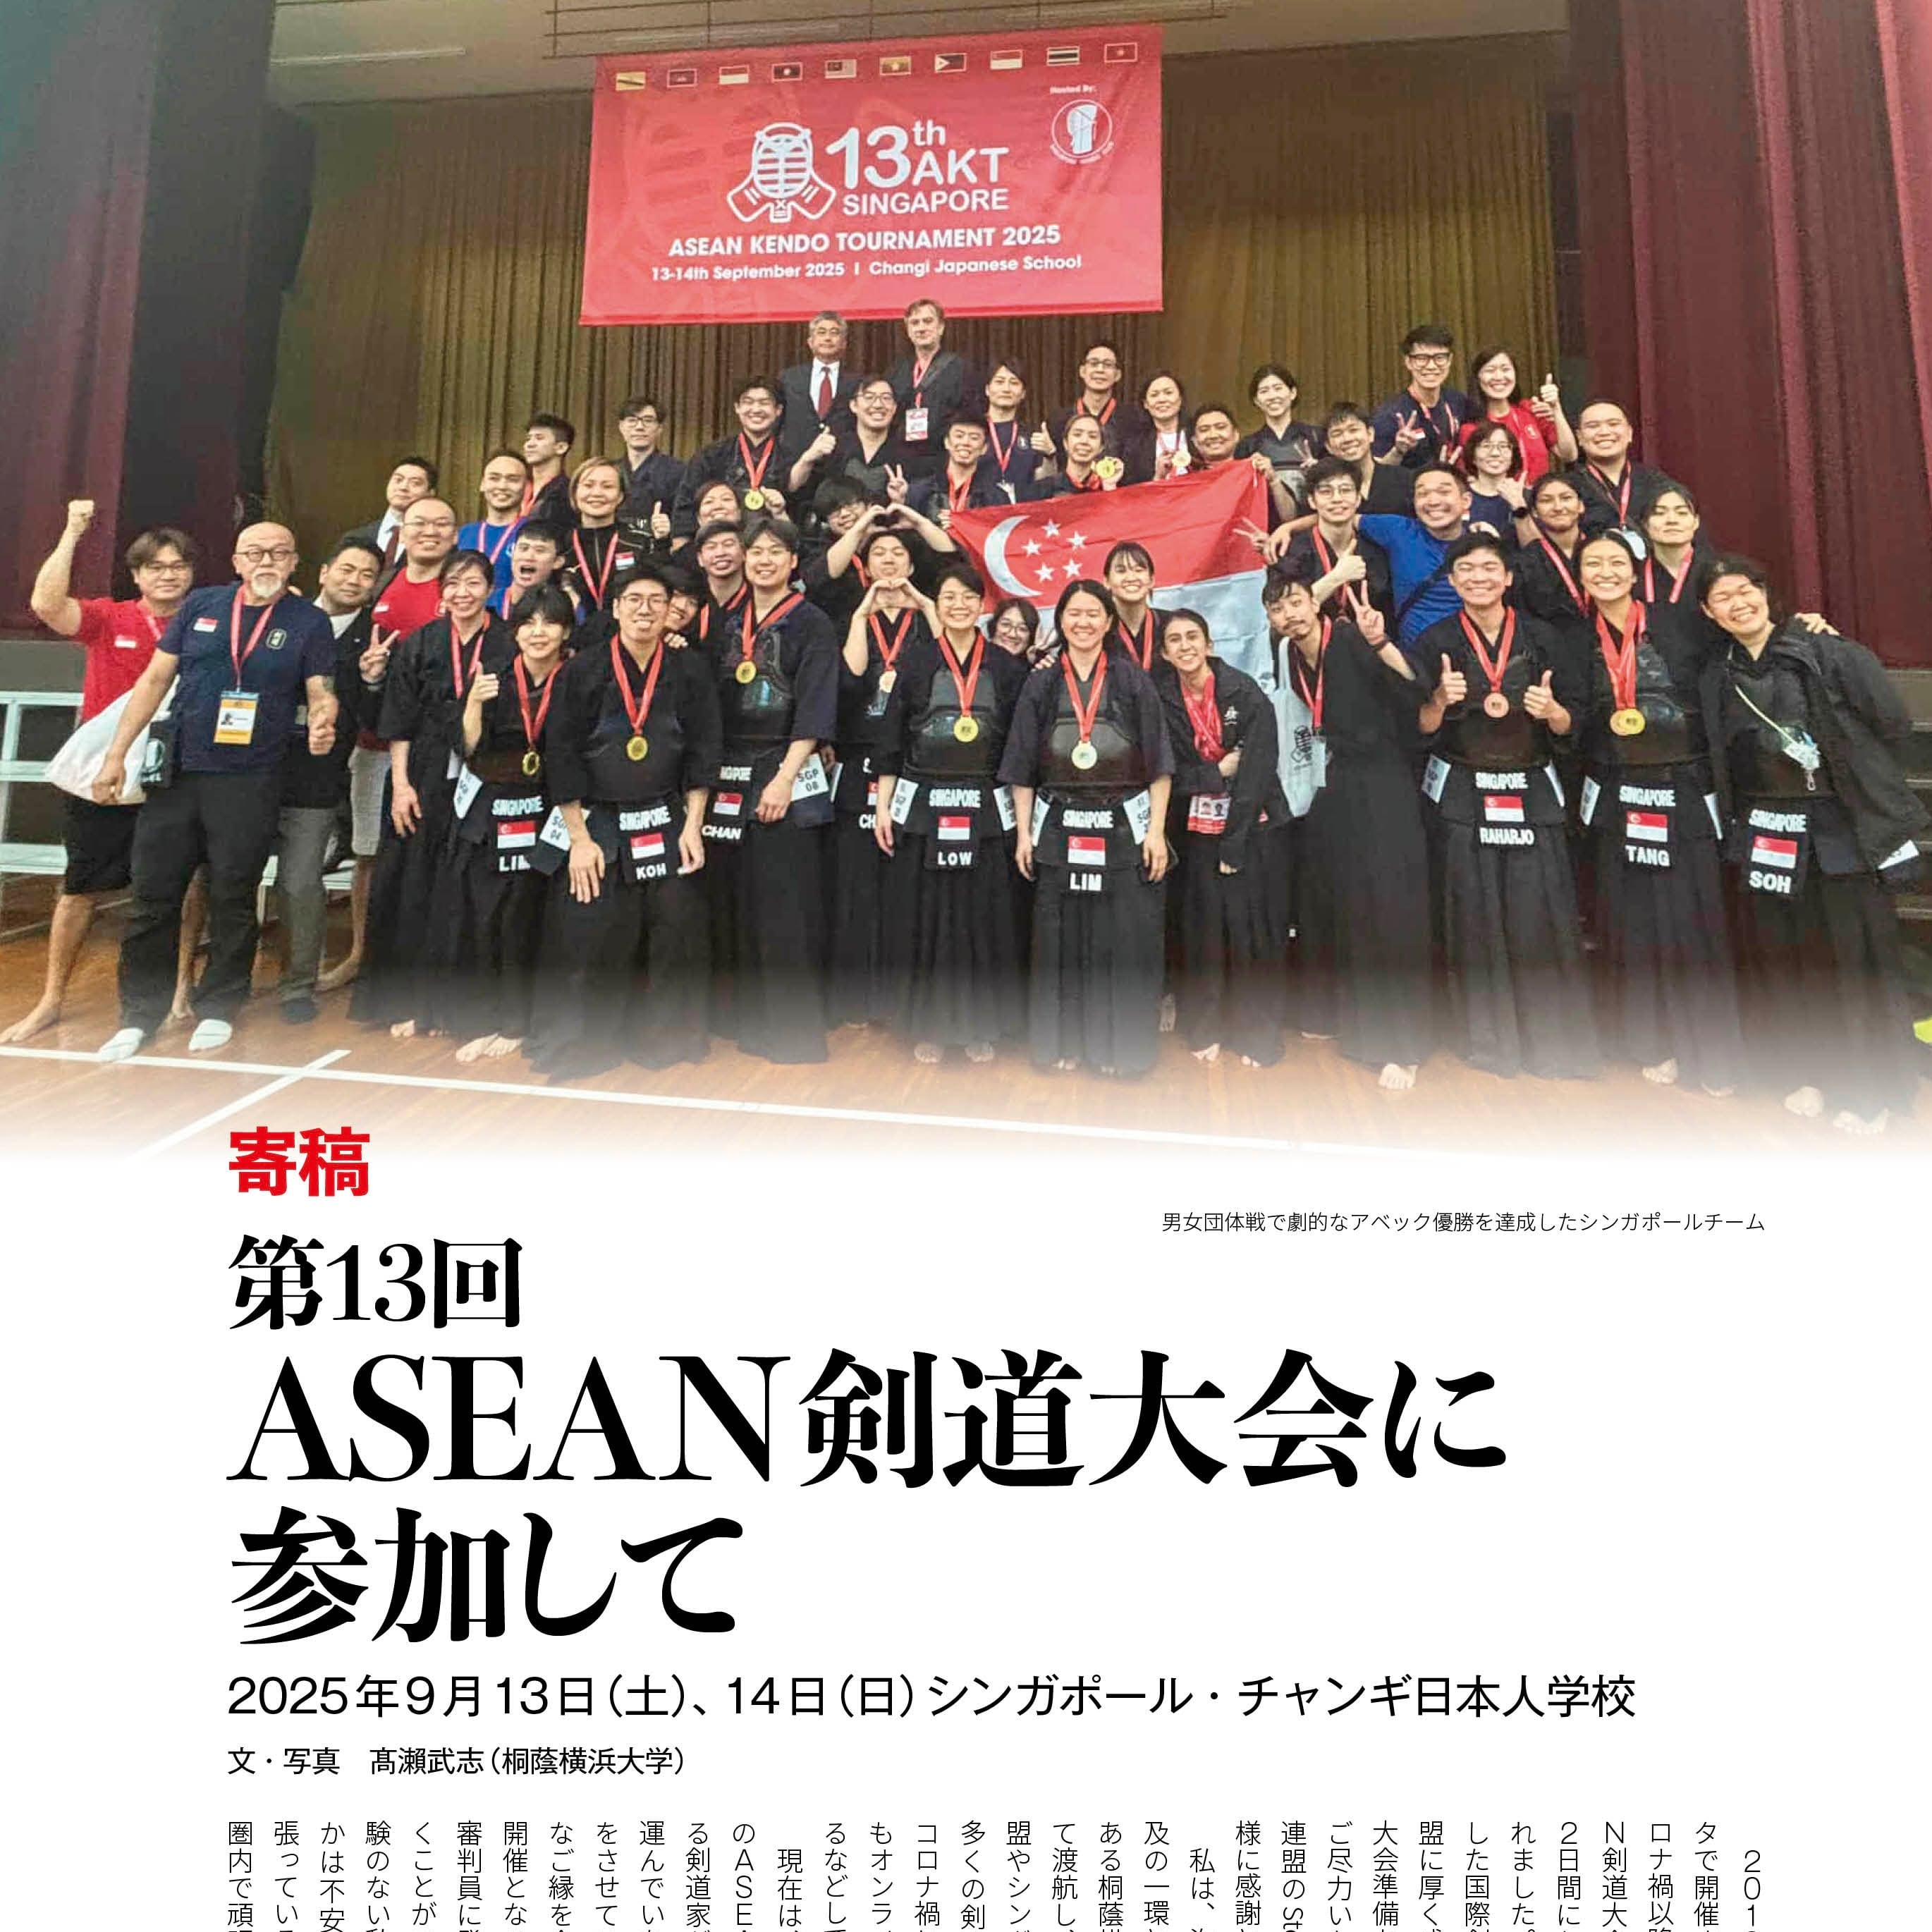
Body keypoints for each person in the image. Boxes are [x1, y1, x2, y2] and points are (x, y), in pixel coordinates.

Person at [91, 523, 339, 1060]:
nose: (266, 561)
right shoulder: (201, 606)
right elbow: (154, 681)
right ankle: (139, 1016)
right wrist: (116, 755)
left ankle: (219, 1007)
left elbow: (322, 690)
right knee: (153, 896)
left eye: (278, 552)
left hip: (251, 778)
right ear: (236, 561)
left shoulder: (308, 621)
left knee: (233, 894)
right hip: (178, 773)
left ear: (294, 561)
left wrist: (323, 720)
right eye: (255, 552)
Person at [1697, 556, 1927, 1133]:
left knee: (1856, 963)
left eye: (1746, 590)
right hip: (1769, 834)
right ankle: (1816, 1074)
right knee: (1794, 960)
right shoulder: (1715, 675)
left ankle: (1872, 1092)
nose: (1738, 603)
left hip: (1839, 830)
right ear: (1708, 612)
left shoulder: (1828, 651)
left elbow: (1892, 722)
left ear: (1766, 594)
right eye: (1723, 597)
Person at [4, 503, 200, 1045]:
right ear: (136, 575)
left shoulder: (206, 622)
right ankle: (51, 998)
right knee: (80, 888)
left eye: (179, 565)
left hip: (177, 772)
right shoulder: (110, 618)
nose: (169, 575)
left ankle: (181, 987)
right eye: (156, 566)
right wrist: (72, 532)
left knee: (186, 884)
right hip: (105, 772)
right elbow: (46, 604)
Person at [1413, 533, 1600, 1080]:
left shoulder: (1543, 637)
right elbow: (1418, 726)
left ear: (1509, 577)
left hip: (1530, 786)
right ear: (1452, 581)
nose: (1479, 578)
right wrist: (1438, 700)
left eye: (1489, 568)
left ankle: (1550, 1042)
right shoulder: (1435, 640)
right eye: (1466, 570)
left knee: (1538, 914)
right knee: (1474, 916)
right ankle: (1488, 1041)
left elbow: (1573, 722)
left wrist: (1553, 712)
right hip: (1463, 790)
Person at [529, 567, 721, 1078]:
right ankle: (582, 1044)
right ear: (615, 608)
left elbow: (704, 749)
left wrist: (693, 826)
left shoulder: (689, 670)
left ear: (669, 610)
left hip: (665, 815)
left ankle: (668, 1041)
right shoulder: (582, 670)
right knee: (589, 926)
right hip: (599, 820)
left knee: (677, 923)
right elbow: (562, 754)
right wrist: (578, 839)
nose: (644, 609)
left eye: (656, 600)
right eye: (634, 599)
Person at [1574, 531, 1745, 1094]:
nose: (1605, 572)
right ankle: (1657, 1041)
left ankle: (1711, 1053)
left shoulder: (1679, 622)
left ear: (1636, 571)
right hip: (1618, 794)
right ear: (1581, 577)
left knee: (1693, 920)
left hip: (1684, 790)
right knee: (1635, 922)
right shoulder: (1573, 638)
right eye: (1593, 564)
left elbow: (1743, 637)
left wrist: (1806, 627)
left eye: (1616, 563)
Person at [1267, 565, 1435, 1087]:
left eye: (1297, 602)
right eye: (1277, 608)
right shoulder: (1288, 653)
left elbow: (1416, 689)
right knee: (1344, 901)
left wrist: (1382, 643)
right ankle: (1353, 1022)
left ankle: (1404, 1043)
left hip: (1382, 780)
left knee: (1390, 905)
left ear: (1314, 601)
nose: (1290, 615)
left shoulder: (1351, 637)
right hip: (1331, 782)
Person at [1001, 579, 1174, 1077]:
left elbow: (1160, 763)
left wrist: (1155, 832)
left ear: (1109, 622)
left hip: (1122, 824)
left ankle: (1117, 1050)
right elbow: (1021, 765)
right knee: (1061, 939)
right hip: (1059, 822)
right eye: (1074, 614)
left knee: (1120, 940)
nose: (1083, 622)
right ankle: (1064, 1043)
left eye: (1093, 614)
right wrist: (1024, 833)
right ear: (1060, 621)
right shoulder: (1041, 683)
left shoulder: (1133, 680)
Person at [872, 561, 1029, 1061]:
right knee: (928, 916)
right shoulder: (916, 663)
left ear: (981, 605)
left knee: (983, 915)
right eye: (949, 598)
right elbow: (891, 741)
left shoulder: (1007, 667)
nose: (959, 606)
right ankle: (929, 1027)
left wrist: (1022, 820)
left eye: (967, 598)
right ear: (936, 606)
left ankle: (983, 1026)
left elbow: (1021, 748)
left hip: (986, 807)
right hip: (924, 804)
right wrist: (883, 807)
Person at [353, 548, 512, 1036]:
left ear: (491, 589)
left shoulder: (508, 642)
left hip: (488, 774)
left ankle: (452, 1007)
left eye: (473, 583)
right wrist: (401, 786)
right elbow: (399, 720)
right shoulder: (421, 642)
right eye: (453, 584)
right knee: (411, 882)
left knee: (464, 888)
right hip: (422, 774)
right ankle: (404, 1001)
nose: (463, 594)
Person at [700, 516, 839, 1063]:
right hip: (730, 772)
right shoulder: (728, 620)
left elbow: (815, 707)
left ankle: (790, 1031)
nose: (763, 560)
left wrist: (785, 777)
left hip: (785, 767)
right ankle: (741, 1019)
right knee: (737, 898)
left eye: (775, 552)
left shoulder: (813, 622)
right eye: (755, 551)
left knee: (785, 904)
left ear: (793, 561)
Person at [429, 582, 573, 1063]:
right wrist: (473, 701)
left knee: (527, 916)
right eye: (528, 623)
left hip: (548, 811)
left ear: (566, 631)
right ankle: (484, 1016)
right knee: (484, 913)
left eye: (549, 623)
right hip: (493, 812)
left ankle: (520, 1021)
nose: (538, 632)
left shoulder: (577, 679)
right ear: (515, 632)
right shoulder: (492, 676)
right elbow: (467, 746)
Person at [328, 496, 459, 991]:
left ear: (454, 535)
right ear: (402, 531)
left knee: (435, 853)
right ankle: (362, 955)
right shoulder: (380, 583)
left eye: (441, 524)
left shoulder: (460, 587)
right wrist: (371, 675)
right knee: (368, 853)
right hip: (375, 743)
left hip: (437, 750)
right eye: (420, 523)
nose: (430, 532)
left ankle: (425, 962)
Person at [1155, 608, 1288, 1066]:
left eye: (1193, 636)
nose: (1185, 646)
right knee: (1203, 931)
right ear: (1165, 653)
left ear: (1209, 644)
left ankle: (1257, 1035)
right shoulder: (1162, 699)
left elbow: (1258, 770)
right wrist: (1214, 773)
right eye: (1175, 640)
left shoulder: (1244, 692)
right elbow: (1166, 771)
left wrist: (1235, 841)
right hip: (1195, 833)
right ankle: (1205, 1026)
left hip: (1250, 830)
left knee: (1251, 932)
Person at [828, 529, 934, 1027]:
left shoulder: (926, 619)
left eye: (899, 554)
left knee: (901, 886)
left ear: (911, 566)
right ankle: (855, 999)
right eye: (879, 555)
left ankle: (898, 1001)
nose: (889, 562)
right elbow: (851, 678)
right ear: (866, 566)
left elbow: (949, 663)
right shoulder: (853, 619)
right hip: (859, 761)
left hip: (909, 763)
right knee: (856, 886)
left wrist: (925, 604)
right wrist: (859, 616)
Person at [274, 535, 379, 1025]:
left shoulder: (375, 639)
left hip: (318, 777)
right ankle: (220, 984)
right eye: (347, 570)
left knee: (301, 881)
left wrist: (372, 680)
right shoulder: (282, 617)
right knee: (228, 875)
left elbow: (374, 717)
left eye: (367, 576)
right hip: (253, 768)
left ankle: (298, 986)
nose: (355, 581)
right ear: (323, 572)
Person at [1356, 465, 1482, 659]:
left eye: (1443, 492)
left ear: (1466, 500)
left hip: (1472, 657)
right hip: (1414, 659)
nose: (1433, 501)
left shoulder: (1482, 547)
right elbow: (1342, 517)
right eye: (1423, 494)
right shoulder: (1398, 530)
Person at [1275, 457, 1394, 625]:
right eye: (1326, 492)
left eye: (1345, 490)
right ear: (1312, 501)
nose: (1337, 499)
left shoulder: (1377, 548)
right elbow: (1287, 614)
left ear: (1358, 499)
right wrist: (1337, 577)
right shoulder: (1291, 552)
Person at [672, 378, 786, 538]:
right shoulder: (711, 455)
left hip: (772, 544)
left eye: (764, 403)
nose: (756, 409)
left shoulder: (790, 457)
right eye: (748, 402)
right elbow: (685, 507)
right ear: (737, 408)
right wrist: (682, 544)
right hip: (719, 543)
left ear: (778, 410)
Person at [1455, 348, 1575, 484]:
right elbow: (1469, 479)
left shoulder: (1531, 410)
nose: (1499, 377)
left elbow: (1569, 455)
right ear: (1478, 378)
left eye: (1505, 369)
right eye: (1490, 370)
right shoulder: (1470, 427)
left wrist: (1556, 408)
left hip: (1539, 495)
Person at [788, 373, 908, 503]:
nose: (878, 405)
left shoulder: (905, 452)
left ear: (894, 408)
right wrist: (807, 459)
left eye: (886, 398)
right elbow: (794, 488)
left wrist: (899, 501)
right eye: (869, 397)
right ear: (853, 405)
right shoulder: (832, 445)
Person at [887, 300, 973, 480]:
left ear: (941, 327)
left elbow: (968, 416)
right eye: (915, 323)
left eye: (927, 321)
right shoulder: (897, 370)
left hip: (942, 460)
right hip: (903, 459)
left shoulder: (960, 368)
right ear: (908, 330)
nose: (921, 328)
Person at [1373, 324, 1469, 470]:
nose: (1431, 366)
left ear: (1450, 360)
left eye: (1440, 358)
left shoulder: (1458, 401)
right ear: (1408, 362)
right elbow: (1376, 473)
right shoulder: (1390, 415)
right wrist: (1398, 451)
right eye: (1422, 358)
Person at [1567, 398, 1670, 534]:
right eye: (1593, 426)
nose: (1604, 432)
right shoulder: (1568, 487)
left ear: (1630, 433)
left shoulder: (1656, 481)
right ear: (1579, 437)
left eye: (1613, 424)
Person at [1237, 364, 1323, 516]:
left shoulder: (1316, 436)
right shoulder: (1248, 445)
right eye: (1264, 391)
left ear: (1293, 393)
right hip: (1267, 523)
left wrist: (1321, 469)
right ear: (1256, 401)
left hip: (1314, 521)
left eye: (1278, 388)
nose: (1272, 396)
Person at [778, 312, 860, 466]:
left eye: (834, 333)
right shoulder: (789, 378)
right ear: (810, 342)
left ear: (844, 343)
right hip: (795, 462)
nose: (828, 338)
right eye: (821, 333)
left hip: (841, 464)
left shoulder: (857, 382)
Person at [563, 458, 638, 616]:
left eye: (607, 486)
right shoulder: (561, 544)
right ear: (575, 493)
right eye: (588, 485)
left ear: (620, 496)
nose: (597, 493)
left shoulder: (638, 543)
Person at [458, 449, 530, 598]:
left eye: (513, 480)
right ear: (482, 484)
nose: (502, 486)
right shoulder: (465, 533)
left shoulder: (533, 533)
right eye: (494, 478)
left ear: (526, 487)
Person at [908, 414, 1001, 525]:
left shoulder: (995, 496)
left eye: (974, 438)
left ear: (984, 448)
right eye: (959, 436)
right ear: (947, 442)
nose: (966, 443)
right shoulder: (921, 490)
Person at [615, 395, 684, 537]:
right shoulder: (610, 471)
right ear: (621, 427)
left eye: (648, 421)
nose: (639, 427)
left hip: (658, 545)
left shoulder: (678, 471)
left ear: (660, 429)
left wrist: (670, 528)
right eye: (632, 420)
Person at [350, 455, 437, 566]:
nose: (403, 487)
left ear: (430, 494)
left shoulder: (436, 540)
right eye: (398, 480)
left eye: (415, 483)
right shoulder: (357, 537)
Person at [1048, 340, 1131, 455]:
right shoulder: (1058, 421)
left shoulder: (1133, 420)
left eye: (1108, 365)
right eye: (1094, 363)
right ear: (1082, 371)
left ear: (1117, 375)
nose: (1100, 370)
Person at [1103, 542, 1169, 672]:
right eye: (1121, 571)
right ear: (1107, 581)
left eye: (1139, 570)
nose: (1131, 578)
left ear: (1151, 580)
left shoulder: (1171, 625)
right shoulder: (1098, 631)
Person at [981, 359, 1040, 502]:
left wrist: (1050, 455)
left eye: (1014, 383)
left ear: (1023, 393)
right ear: (987, 389)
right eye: (1000, 382)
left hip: (1022, 511)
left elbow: (1042, 483)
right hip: (978, 511)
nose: (1006, 389)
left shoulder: (1033, 435)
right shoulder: (973, 431)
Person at [1458, 420, 1529, 535]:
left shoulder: (1527, 497)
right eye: (1486, 446)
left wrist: (1519, 507)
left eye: (1503, 446)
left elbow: (1536, 543)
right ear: (1473, 456)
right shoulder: (1460, 496)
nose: (1495, 453)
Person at [1120, 370, 1192, 484]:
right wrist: (1158, 477)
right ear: (1146, 404)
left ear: (1180, 399)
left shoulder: (1196, 435)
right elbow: (1131, 489)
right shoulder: (1134, 444)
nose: (1162, 400)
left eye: (1168, 393)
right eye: (1154, 395)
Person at [1032, 412, 1115, 496]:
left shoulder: (1106, 487)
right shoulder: (1045, 489)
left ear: (1101, 448)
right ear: (1065, 443)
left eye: (1092, 436)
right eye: (1077, 435)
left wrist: (1110, 487)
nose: (1084, 441)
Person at [520, 413, 575, 524]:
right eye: (528, 439)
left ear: (561, 448)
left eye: (539, 438)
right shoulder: (518, 487)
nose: (529, 444)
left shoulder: (569, 493)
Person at [990, 597, 1042, 663]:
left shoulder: (1038, 665)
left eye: (1022, 629)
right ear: (994, 626)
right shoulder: (978, 658)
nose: (1012, 635)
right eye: (1006, 624)